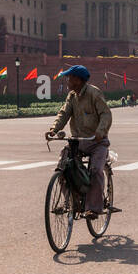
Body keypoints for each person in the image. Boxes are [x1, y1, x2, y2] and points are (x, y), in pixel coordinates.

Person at [46, 65, 112, 218]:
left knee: (95, 171)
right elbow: (64, 114)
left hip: (97, 142)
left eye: (70, 78)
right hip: (78, 141)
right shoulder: (72, 96)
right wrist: (53, 130)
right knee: (62, 169)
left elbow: (106, 115)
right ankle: (73, 202)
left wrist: (100, 132)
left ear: (78, 79)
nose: (67, 80)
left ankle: (93, 208)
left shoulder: (94, 93)